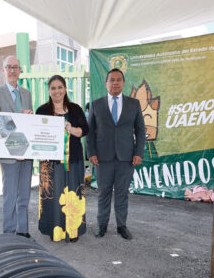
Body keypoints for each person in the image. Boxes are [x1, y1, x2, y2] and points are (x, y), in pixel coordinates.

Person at [86, 68, 145, 240]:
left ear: (123, 83)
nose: (115, 83)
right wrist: (91, 153)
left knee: (122, 193)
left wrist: (138, 153)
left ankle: (121, 226)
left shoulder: (133, 104)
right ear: (106, 83)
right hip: (102, 159)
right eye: (112, 80)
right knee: (103, 193)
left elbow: (140, 131)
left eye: (119, 80)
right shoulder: (96, 104)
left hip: (126, 158)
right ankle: (102, 226)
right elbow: (90, 133)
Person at [36, 75, 89, 243]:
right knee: (53, 195)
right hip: (50, 162)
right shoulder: (42, 110)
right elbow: (35, 134)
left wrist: (70, 128)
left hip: (73, 159)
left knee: (73, 194)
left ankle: (73, 230)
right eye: (53, 88)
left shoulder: (75, 109)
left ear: (65, 89)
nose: (57, 91)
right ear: (49, 91)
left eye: (60, 87)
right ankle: (55, 229)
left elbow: (84, 130)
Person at [0, 56, 33, 238]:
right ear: (3, 70)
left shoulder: (26, 93)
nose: (12, 70)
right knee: (10, 196)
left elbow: (29, 125)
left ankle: (22, 231)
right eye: (9, 67)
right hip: (9, 154)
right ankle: (8, 233)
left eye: (15, 67)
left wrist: (29, 116)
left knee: (24, 195)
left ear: (20, 70)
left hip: (26, 153)